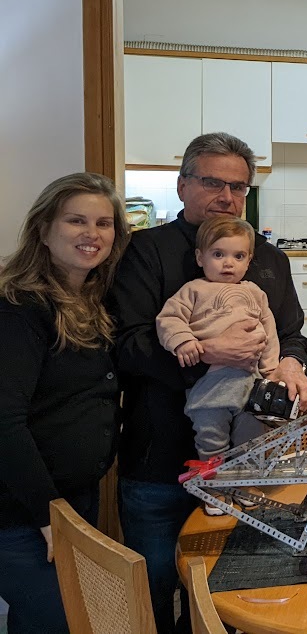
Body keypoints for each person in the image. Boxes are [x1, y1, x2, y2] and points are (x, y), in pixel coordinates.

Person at [110, 132, 307, 634]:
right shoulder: (144, 251)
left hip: (245, 467)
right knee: (155, 590)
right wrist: (205, 356)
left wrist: (290, 365)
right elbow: (126, 345)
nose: (227, 196)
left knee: (238, 591)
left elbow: (291, 335)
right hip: (159, 462)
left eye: (239, 187)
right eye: (212, 183)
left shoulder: (267, 257)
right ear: (182, 186)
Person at [0, 172, 130, 634]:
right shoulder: (19, 307)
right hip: (23, 508)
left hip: (72, 498)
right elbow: (4, 423)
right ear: (43, 228)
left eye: (104, 223)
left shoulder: (91, 299)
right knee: (67, 619)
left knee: (37, 621)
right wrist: (49, 514)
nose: (92, 234)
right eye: (76, 221)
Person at [156, 217, 281, 514]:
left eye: (238, 256)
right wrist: (183, 341)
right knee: (211, 443)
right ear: (200, 258)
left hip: (250, 382)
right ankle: (213, 491)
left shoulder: (255, 293)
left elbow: (269, 330)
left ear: (248, 261)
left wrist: (272, 369)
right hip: (211, 385)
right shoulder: (193, 290)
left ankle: (243, 486)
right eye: (218, 254)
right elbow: (168, 319)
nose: (228, 264)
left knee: (250, 442)